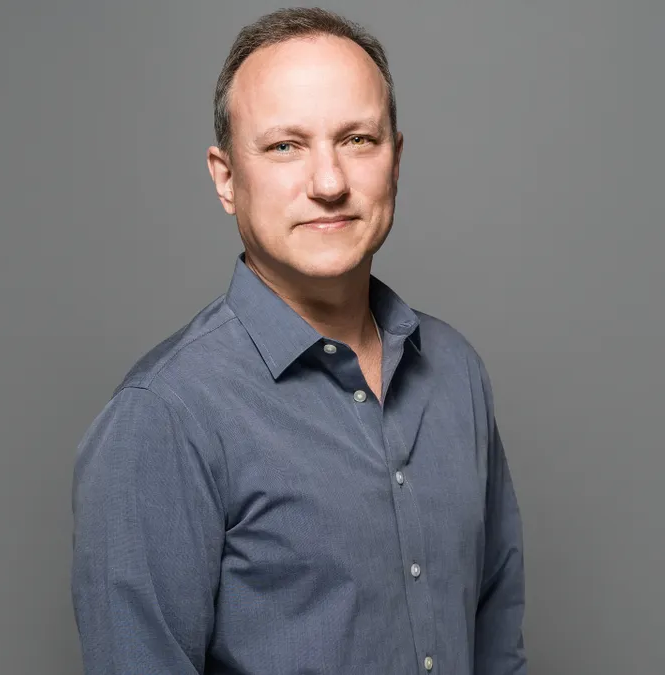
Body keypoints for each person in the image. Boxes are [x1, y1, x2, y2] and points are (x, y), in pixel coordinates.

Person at [71, 8, 526, 674]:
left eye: (358, 140)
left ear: (396, 159)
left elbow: (497, 641)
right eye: (286, 145)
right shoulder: (165, 415)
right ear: (226, 177)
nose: (329, 182)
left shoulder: (454, 372)